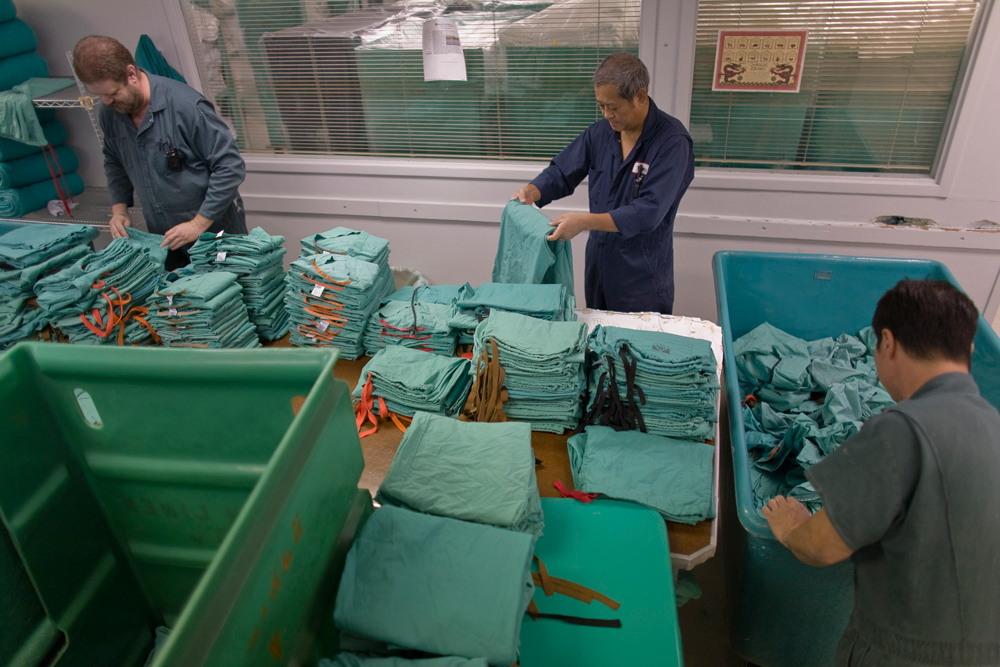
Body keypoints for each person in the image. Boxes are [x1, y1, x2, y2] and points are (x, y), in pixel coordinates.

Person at [763, 279, 1000, 666]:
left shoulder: (900, 430)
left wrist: (792, 528)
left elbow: (821, 547)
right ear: (969, 349)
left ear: (886, 343)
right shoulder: (994, 424)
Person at [512, 52, 694, 314]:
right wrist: (533, 190)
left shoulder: (672, 142)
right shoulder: (600, 134)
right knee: (597, 333)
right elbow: (562, 171)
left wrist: (584, 221)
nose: (607, 115)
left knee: (637, 337)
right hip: (599, 264)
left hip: (642, 272)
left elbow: (649, 212)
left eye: (614, 107)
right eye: (601, 106)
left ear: (640, 96)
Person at [72, 35, 247, 270]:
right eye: (99, 95)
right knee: (177, 291)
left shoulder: (187, 107)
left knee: (228, 288)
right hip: (164, 236)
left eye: (112, 93)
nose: (107, 101)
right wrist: (119, 210)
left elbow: (230, 167)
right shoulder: (110, 113)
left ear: (131, 74)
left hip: (213, 230)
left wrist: (197, 225)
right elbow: (114, 160)